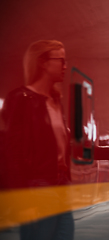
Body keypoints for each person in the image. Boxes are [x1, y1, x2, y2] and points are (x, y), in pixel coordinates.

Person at [1, 40, 74, 239]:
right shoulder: (20, 99)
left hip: (61, 186)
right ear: (43, 62)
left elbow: (63, 146)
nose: (65, 66)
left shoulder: (55, 101)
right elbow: (11, 155)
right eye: (61, 60)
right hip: (39, 189)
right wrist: (22, 202)